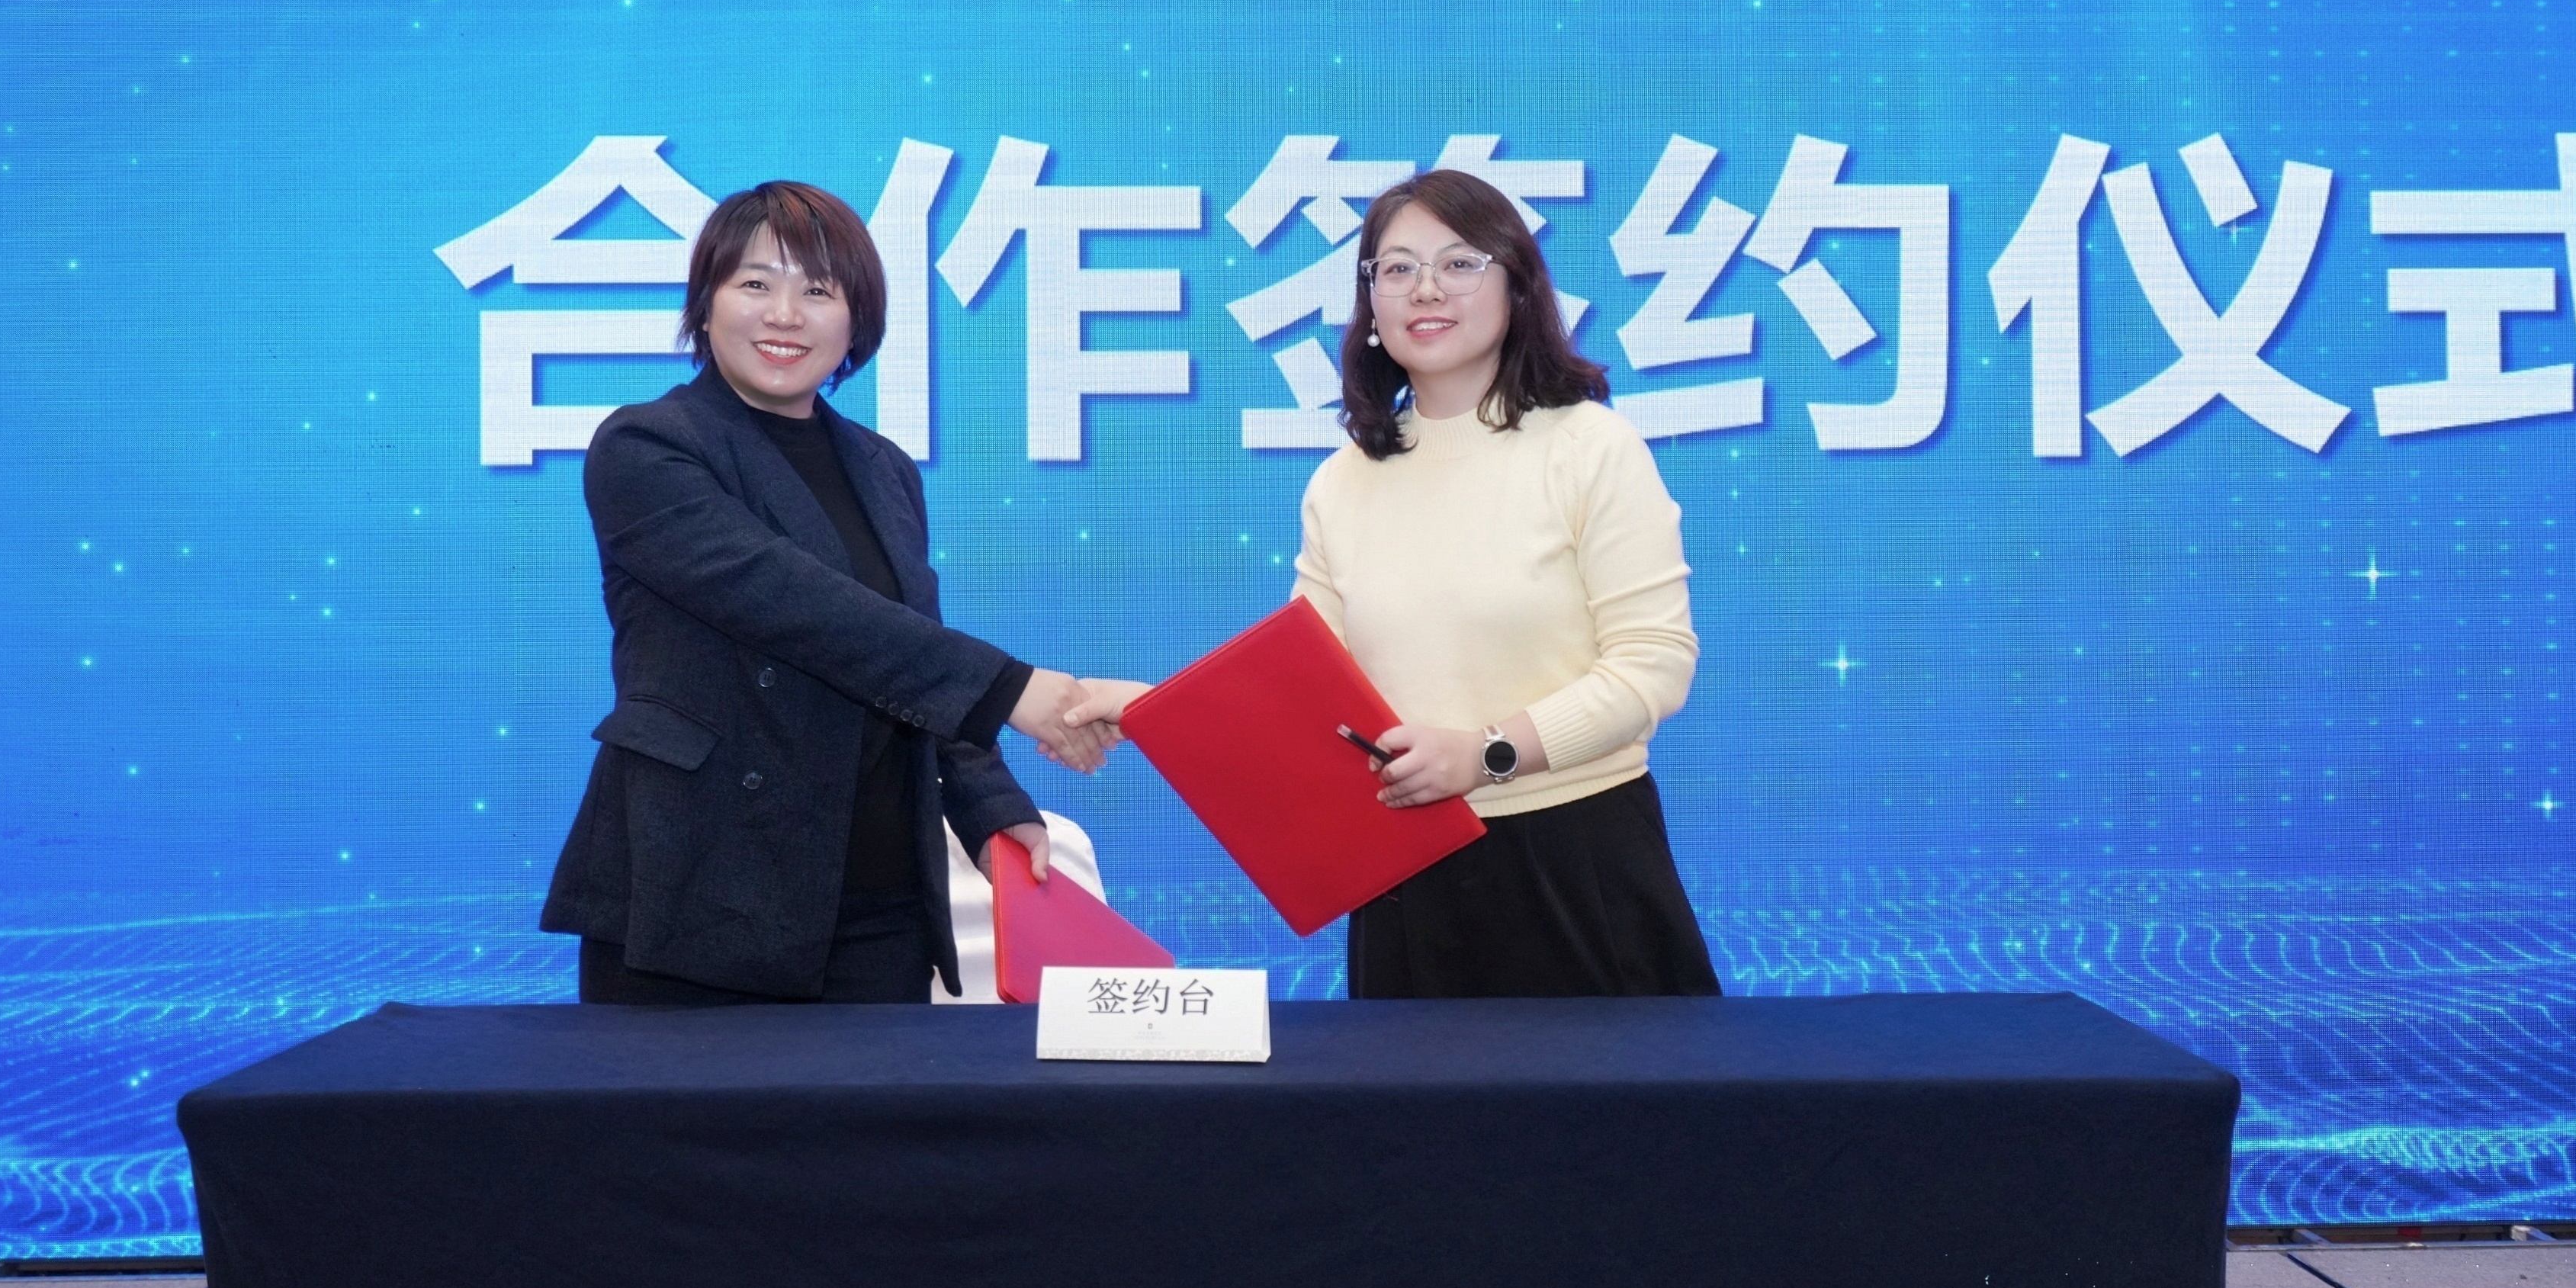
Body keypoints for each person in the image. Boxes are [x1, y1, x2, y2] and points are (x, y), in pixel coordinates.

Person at [1069, 168, 1718, 997]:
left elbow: (1652, 665)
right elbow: (1308, 698)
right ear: (1369, 301)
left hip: (1576, 857)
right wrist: (1153, 707)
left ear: (1517, 286)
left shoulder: (1590, 447)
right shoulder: (1344, 480)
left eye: (1460, 263)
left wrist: (1484, 754)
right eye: (1397, 268)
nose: (1426, 289)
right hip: (1406, 864)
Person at [542, 181, 1116, 1005]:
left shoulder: (884, 468)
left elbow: (908, 645)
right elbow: (795, 604)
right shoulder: (646, 446)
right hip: (698, 892)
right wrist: (1010, 690)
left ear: (857, 320)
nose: (785, 314)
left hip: (877, 898)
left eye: (818, 291)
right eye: (754, 283)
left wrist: (990, 807)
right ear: (706, 302)